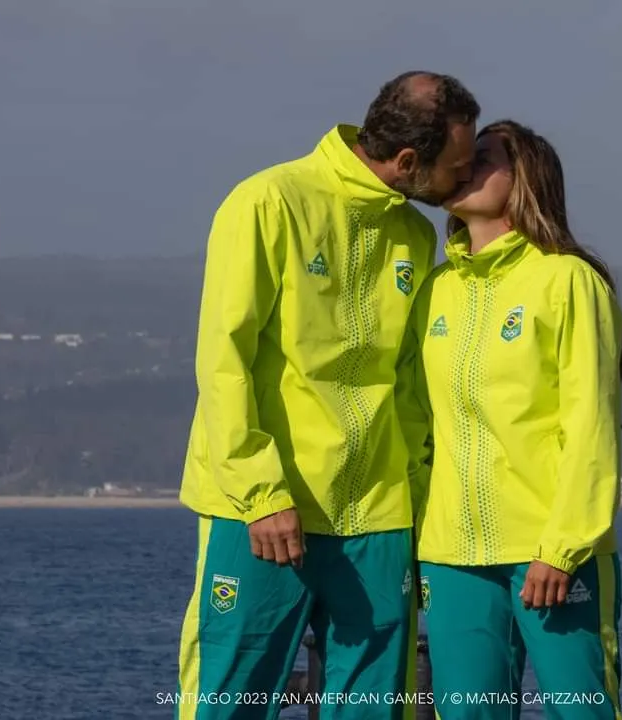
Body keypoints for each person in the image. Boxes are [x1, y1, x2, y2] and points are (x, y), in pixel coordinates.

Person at [175, 71, 479, 720]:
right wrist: (259, 494)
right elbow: (222, 359)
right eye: (455, 168)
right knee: (229, 702)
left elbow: (405, 387)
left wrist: (415, 504)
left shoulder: (413, 237)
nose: (463, 181)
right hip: (259, 510)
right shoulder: (268, 201)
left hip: (377, 516)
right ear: (406, 162)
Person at [398, 120, 622, 720]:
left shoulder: (568, 281)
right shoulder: (435, 291)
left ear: (526, 175)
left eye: (483, 157)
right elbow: (418, 428)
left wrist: (563, 545)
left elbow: (590, 426)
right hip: (449, 556)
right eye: (460, 157)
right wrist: (414, 535)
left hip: (550, 551)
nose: (464, 166)